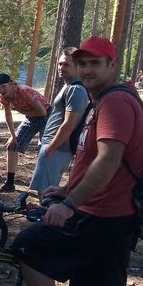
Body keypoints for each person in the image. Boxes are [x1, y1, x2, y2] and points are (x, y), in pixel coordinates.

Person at [4, 36, 143, 286]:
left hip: (99, 213)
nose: (86, 70)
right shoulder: (110, 99)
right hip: (119, 212)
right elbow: (103, 163)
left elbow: (109, 160)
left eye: (94, 64)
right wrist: (67, 190)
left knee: (27, 246)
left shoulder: (114, 103)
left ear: (111, 66)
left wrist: (69, 206)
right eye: (82, 63)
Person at [29, 47, 89, 195]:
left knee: (45, 193)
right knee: (42, 191)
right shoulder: (68, 87)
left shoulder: (76, 90)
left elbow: (68, 124)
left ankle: (48, 217)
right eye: (60, 64)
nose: (61, 68)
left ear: (77, 67)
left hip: (57, 149)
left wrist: (50, 148)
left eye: (66, 65)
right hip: (52, 146)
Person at [0, 73, 51, 193]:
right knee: (12, 146)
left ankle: (44, 186)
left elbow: (42, 112)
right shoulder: (4, 97)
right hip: (30, 117)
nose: (1, 90)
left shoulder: (23, 91)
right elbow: (7, 114)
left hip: (47, 116)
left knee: (44, 149)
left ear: (11, 83)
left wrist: (20, 110)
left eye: (3, 86)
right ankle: (9, 184)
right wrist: (13, 136)